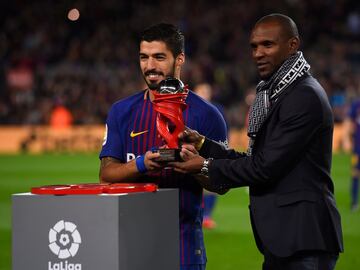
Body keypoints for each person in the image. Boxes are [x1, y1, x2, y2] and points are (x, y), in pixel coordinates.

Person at [171, 14, 343, 270]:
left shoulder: (303, 96)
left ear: (292, 45)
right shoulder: (277, 92)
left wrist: (204, 166)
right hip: (287, 240)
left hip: (304, 240)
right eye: (254, 46)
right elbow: (256, 160)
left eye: (268, 45)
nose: (258, 53)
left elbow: (264, 168)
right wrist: (203, 145)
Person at [98, 23, 227, 270]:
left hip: (184, 245)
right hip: (131, 243)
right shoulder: (121, 111)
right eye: (144, 57)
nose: (150, 66)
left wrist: (195, 167)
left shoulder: (208, 115)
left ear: (180, 59)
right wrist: (141, 163)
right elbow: (106, 175)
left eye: (159, 57)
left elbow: (221, 185)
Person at [193, 83, 228, 229]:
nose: (204, 93)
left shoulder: (217, 109)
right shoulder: (189, 109)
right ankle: (198, 213)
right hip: (194, 151)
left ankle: (207, 215)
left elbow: (225, 129)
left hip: (212, 150)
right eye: (201, 91)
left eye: (207, 91)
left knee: (212, 182)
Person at [344, 99, 360, 211]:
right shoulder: (357, 104)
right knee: (355, 173)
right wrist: (347, 140)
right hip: (358, 147)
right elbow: (349, 121)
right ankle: (354, 202)